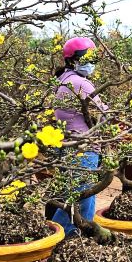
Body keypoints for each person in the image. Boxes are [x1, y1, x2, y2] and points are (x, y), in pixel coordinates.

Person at [51, 37, 109, 236]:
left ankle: (68, 238)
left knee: (78, 196)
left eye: (93, 59)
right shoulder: (80, 83)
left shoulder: (63, 80)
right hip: (84, 148)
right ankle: (60, 240)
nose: (91, 63)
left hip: (70, 146)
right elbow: (103, 113)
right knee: (81, 200)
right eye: (87, 58)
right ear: (72, 60)